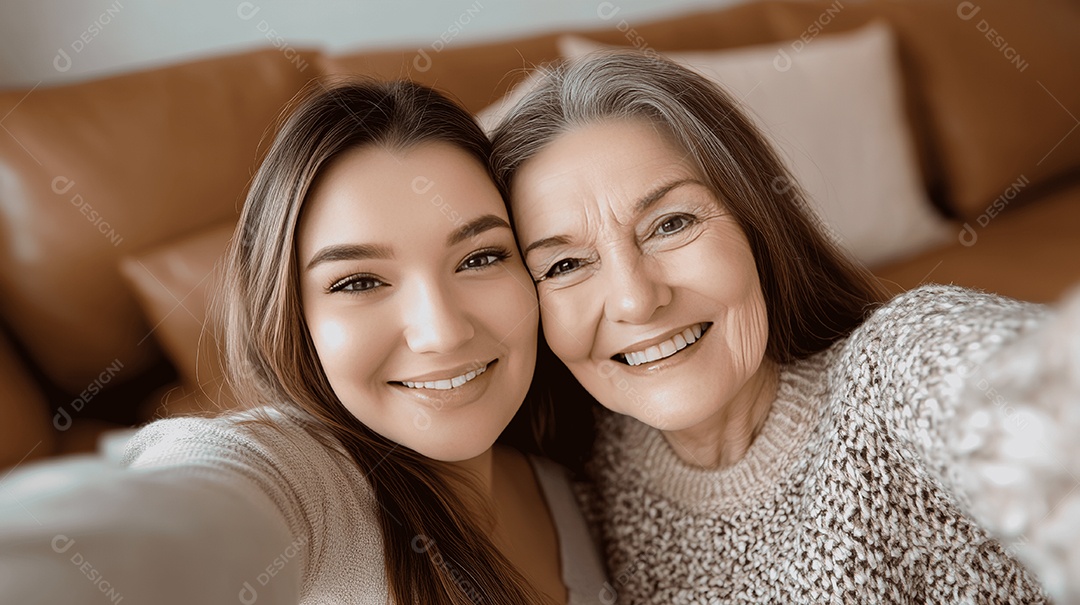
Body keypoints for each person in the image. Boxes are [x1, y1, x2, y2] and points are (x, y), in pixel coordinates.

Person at [0, 79, 607, 604]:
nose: (441, 330)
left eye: (479, 258)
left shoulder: (578, 470)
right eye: (359, 281)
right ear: (293, 316)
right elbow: (183, 513)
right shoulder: (311, 483)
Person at [490, 51, 1051, 603]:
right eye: (564, 265)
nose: (635, 301)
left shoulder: (890, 372)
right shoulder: (586, 475)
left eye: (671, 223)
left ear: (755, 224)